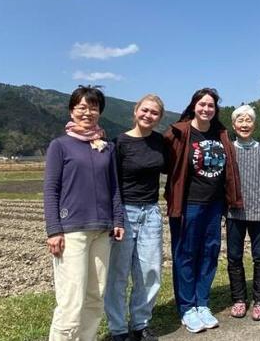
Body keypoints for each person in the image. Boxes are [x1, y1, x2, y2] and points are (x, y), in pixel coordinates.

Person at [44, 86, 125, 341]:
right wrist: (54, 230)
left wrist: (118, 219)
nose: (87, 112)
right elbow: (51, 189)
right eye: (82, 107)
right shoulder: (60, 146)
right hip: (72, 231)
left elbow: (114, 187)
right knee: (71, 300)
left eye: (93, 107)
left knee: (95, 297)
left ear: (99, 112)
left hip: (102, 231)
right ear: (72, 111)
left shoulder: (106, 147)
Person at [164, 88, 244, 333]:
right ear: (193, 106)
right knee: (186, 254)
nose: (206, 109)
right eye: (202, 104)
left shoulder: (221, 133)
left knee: (209, 253)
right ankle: (187, 307)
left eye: (211, 105)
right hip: (188, 204)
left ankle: (202, 303)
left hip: (214, 205)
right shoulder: (179, 132)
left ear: (215, 109)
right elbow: (157, 153)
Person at [104, 94, 167, 341]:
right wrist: (115, 217)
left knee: (150, 272)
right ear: (135, 111)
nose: (148, 115)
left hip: (151, 212)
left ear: (160, 118)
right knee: (118, 274)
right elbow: (110, 183)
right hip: (124, 212)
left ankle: (141, 324)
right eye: (145, 110)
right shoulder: (119, 143)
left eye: (154, 113)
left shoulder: (160, 142)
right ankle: (118, 329)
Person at [225, 105, 260, 321]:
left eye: (248, 120)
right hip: (233, 213)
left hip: (258, 213)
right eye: (240, 120)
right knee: (234, 257)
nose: (244, 124)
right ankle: (239, 299)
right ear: (234, 125)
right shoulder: (228, 149)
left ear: (254, 125)